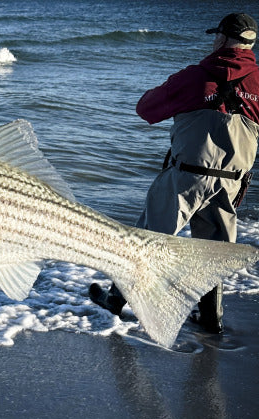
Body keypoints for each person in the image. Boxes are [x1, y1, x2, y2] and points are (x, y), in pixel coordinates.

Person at [90, 13, 259, 334]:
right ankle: (211, 318)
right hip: (233, 182)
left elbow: (146, 109)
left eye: (216, 37)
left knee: (149, 239)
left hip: (186, 176)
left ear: (222, 39)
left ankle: (115, 300)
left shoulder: (195, 77)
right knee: (215, 251)